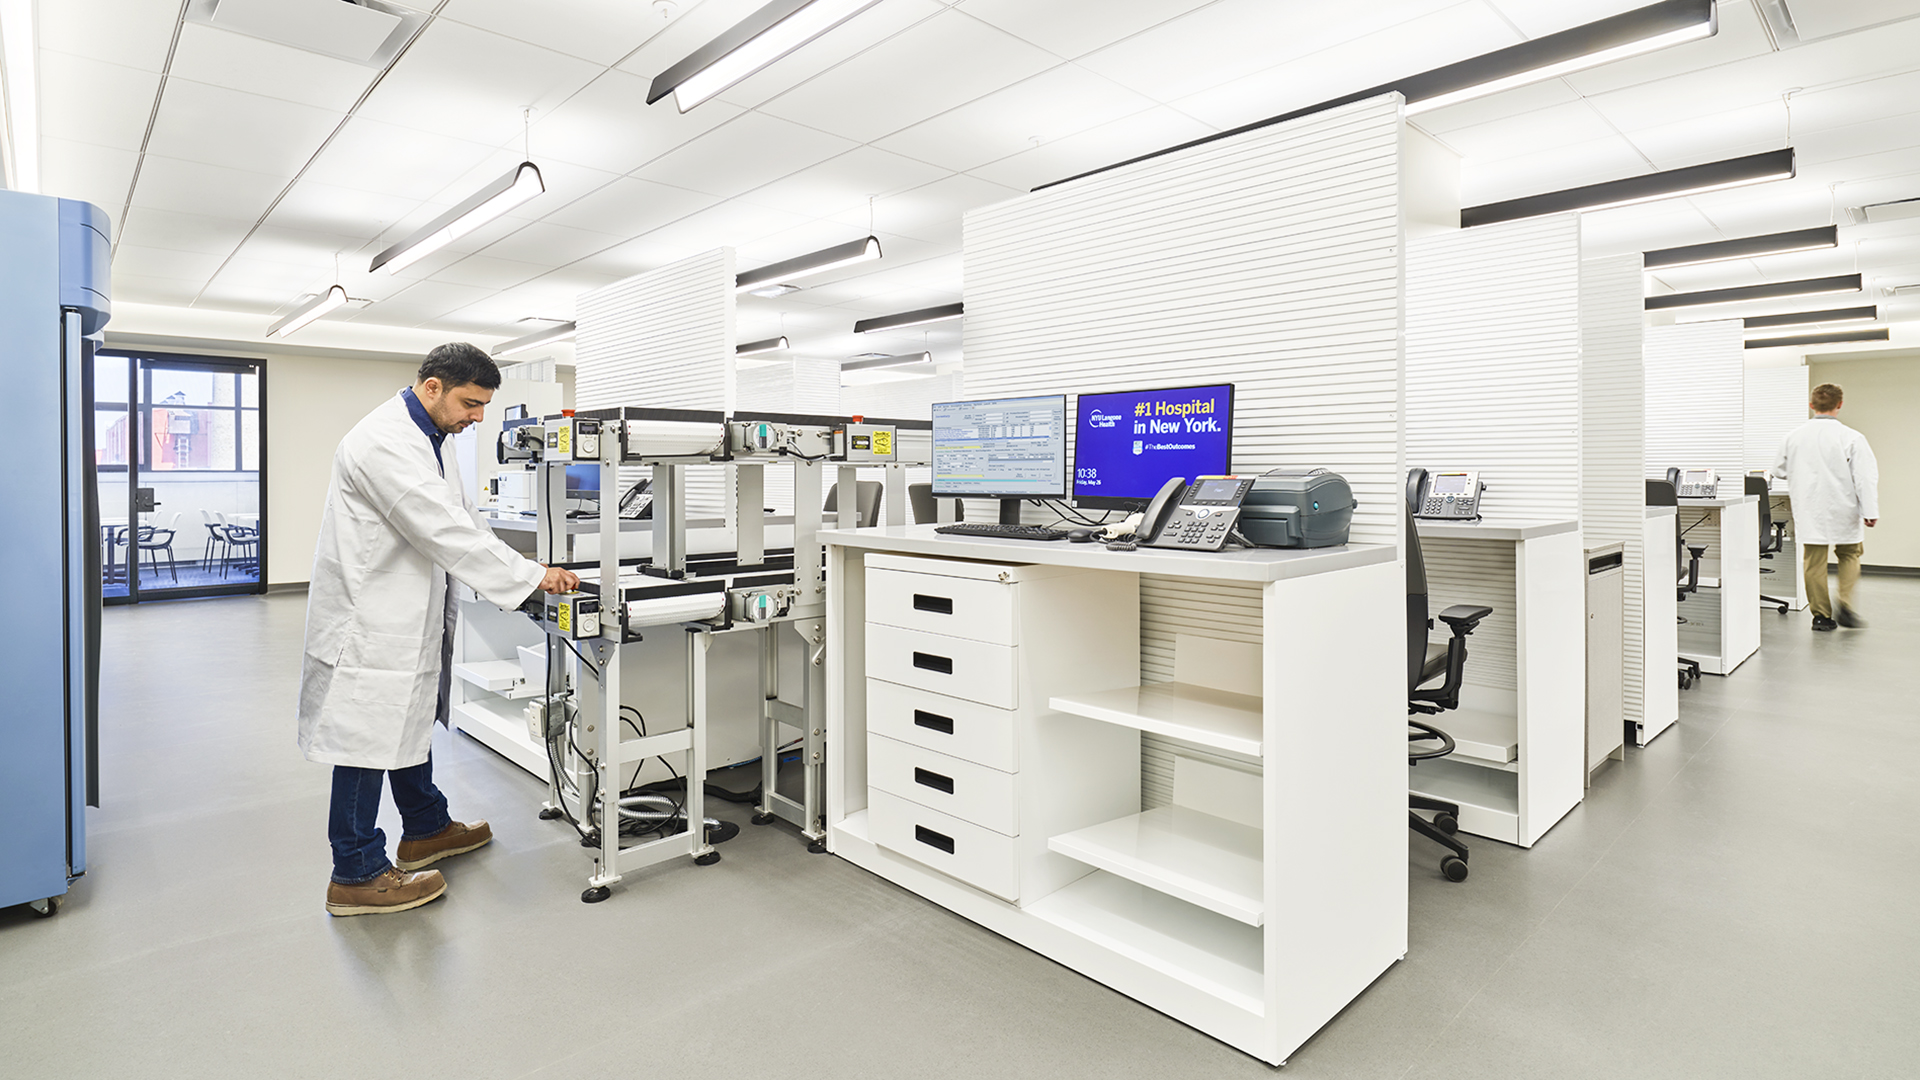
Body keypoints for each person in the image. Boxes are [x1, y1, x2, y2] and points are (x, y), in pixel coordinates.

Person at [298, 343, 579, 915]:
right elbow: (443, 528)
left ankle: (425, 826)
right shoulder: (383, 441)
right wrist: (530, 578)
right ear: (432, 387)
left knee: (408, 713)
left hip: (403, 608)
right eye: (470, 404)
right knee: (366, 734)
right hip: (369, 617)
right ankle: (354, 871)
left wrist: (520, 572)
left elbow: (463, 518)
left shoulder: (430, 435)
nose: (478, 418)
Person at [1773, 381, 1878, 632]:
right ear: (1839, 405)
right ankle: (1845, 604)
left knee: (1814, 561)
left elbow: (1778, 470)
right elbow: (1865, 477)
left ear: (1811, 405)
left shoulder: (1793, 436)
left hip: (1811, 507)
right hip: (1845, 507)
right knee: (1850, 554)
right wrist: (1870, 511)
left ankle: (1821, 616)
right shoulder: (1852, 437)